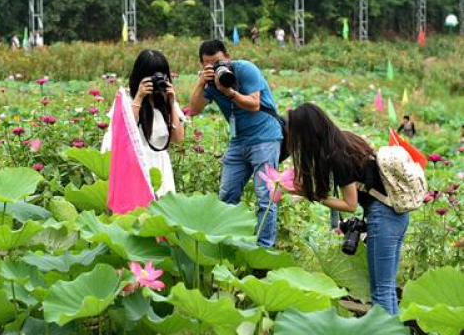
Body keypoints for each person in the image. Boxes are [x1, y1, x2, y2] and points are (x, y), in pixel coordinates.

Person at [287, 102, 409, 315]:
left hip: (384, 216)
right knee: (386, 289)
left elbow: (349, 205)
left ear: (307, 132)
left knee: (380, 291)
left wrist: (314, 196)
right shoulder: (346, 139)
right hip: (396, 214)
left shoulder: (337, 156)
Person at [189, 40, 283, 247]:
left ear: (228, 58)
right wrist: (200, 83)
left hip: (264, 138)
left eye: (219, 63)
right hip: (238, 141)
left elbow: (254, 103)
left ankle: (263, 249)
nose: (216, 68)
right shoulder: (210, 83)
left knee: (265, 198)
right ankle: (226, 245)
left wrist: (229, 92)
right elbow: (193, 110)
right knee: (226, 196)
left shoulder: (245, 69)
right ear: (202, 66)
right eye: (209, 65)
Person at [104, 50, 185, 197]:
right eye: (152, 76)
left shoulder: (166, 102)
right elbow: (122, 132)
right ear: (140, 76)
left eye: (161, 74)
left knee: (162, 216)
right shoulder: (126, 99)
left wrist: (171, 103)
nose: (157, 80)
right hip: (135, 166)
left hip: (161, 168)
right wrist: (139, 98)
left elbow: (178, 139)